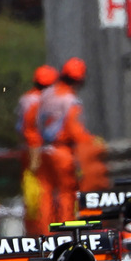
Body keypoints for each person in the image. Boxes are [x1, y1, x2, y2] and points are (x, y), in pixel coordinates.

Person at [31, 57, 95, 227]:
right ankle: (66, 232)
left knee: (46, 194)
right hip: (62, 151)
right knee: (67, 193)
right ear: (79, 80)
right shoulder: (70, 100)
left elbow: (34, 121)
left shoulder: (45, 95)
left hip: (44, 149)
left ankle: (44, 232)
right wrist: (90, 142)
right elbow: (73, 129)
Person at [17, 65, 57, 234]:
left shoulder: (26, 99)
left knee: (36, 202)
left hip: (34, 153)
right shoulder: (45, 102)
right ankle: (46, 235)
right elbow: (32, 133)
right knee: (43, 201)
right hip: (42, 155)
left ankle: (38, 235)